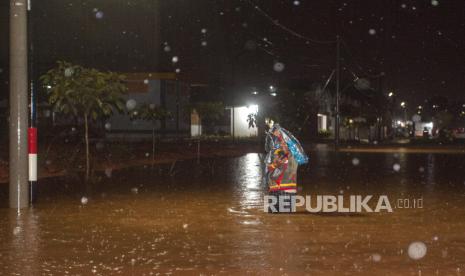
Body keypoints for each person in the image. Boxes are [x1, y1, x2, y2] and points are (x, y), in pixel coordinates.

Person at [264, 122, 308, 213]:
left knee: (286, 218)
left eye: (286, 143)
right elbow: (268, 170)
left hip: (288, 190)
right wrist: (275, 164)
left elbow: (302, 156)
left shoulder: (295, 155)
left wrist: (281, 133)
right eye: (281, 143)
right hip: (274, 190)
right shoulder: (274, 154)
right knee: (273, 219)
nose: (283, 144)